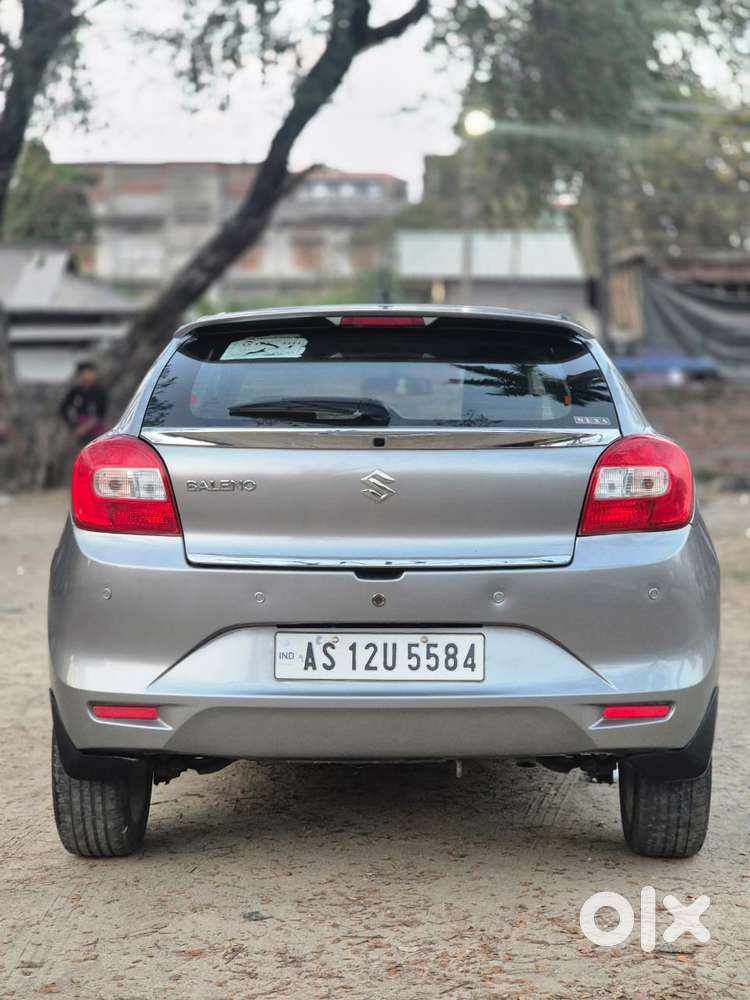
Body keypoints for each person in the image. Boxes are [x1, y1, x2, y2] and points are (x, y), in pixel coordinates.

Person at [59, 361, 108, 446]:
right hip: (79, 428)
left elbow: (101, 414)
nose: (87, 376)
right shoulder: (75, 391)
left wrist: (86, 426)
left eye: (89, 373)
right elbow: (64, 408)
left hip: (95, 429)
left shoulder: (100, 392)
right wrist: (73, 425)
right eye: (84, 373)